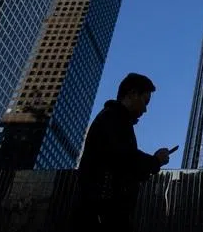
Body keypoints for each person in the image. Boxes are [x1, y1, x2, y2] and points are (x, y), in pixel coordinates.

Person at [73, 73, 176, 231]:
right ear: (133, 94)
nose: (145, 109)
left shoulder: (114, 119)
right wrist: (155, 161)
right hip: (102, 212)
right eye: (145, 101)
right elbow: (125, 158)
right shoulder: (113, 118)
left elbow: (125, 165)